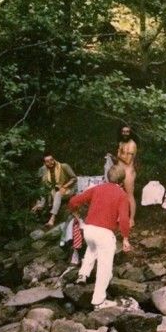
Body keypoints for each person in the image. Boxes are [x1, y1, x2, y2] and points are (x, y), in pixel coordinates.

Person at [68, 164, 132, 309]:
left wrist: (76, 215)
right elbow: (123, 220)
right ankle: (98, 301)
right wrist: (126, 238)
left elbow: (73, 201)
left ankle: (83, 274)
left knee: (92, 249)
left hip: (89, 230)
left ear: (107, 177)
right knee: (105, 268)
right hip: (104, 234)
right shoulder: (122, 195)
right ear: (122, 180)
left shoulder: (96, 188)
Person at [31, 152, 77, 227]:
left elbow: (74, 178)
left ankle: (52, 218)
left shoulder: (63, 166)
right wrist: (39, 203)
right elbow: (44, 187)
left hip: (69, 188)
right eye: (47, 161)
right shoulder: (45, 170)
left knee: (58, 194)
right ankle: (40, 208)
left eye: (52, 160)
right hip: (55, 190)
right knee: (47, 192)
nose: (50, 162)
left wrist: (64, 186)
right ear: (44, 163)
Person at [116, 125, 138, 227]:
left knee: (129, 195)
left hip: (128, 172)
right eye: (123, 131)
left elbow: (128, 161)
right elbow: (119, 158)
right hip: (120, 171)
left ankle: (131, 219)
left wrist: (118, 155)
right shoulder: (121, 143)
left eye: (127, 132)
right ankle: (121, 215)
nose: (125, 133)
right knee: (120, 195)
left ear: (130, 133)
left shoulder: (132, 144)